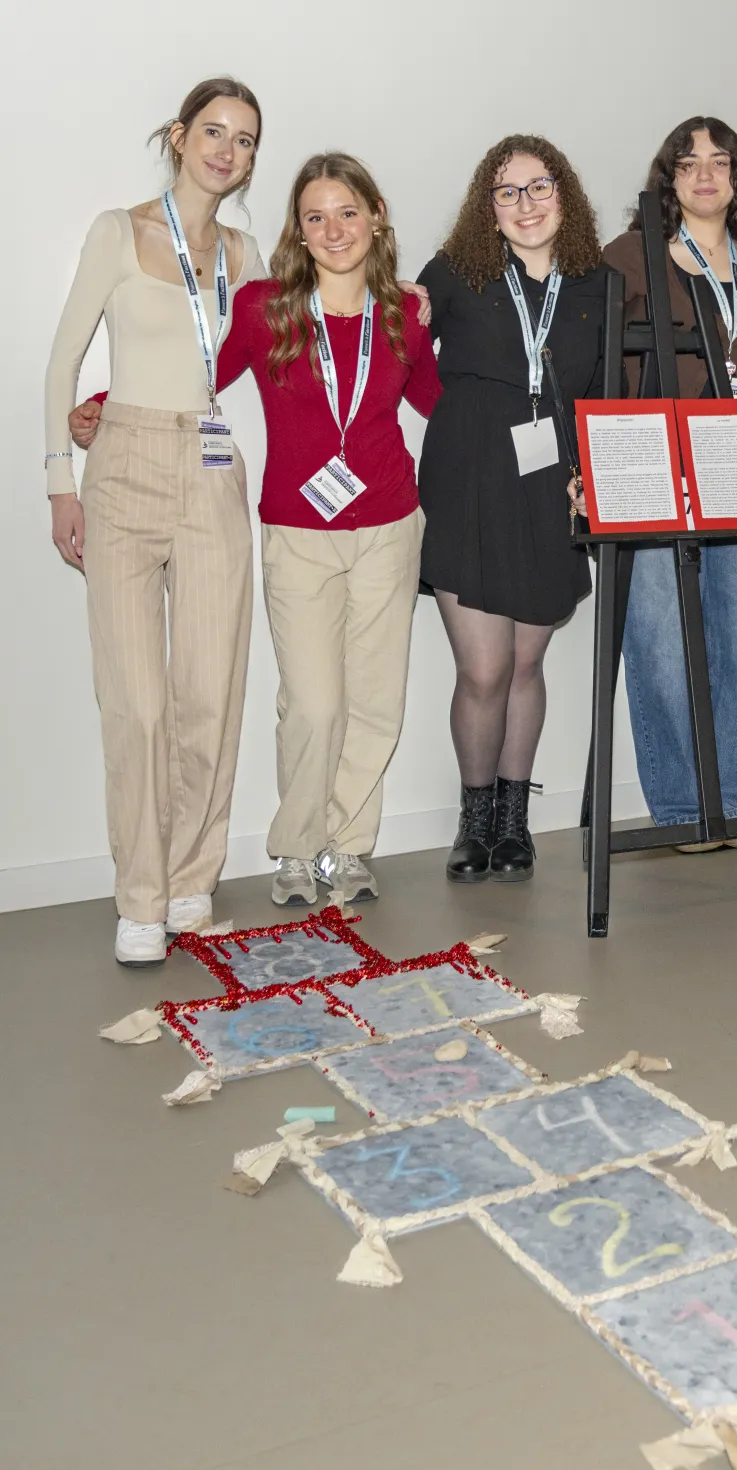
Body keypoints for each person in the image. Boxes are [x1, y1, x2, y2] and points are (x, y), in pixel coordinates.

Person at [71, 154, 440, 909]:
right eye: (315, 216)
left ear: (376, 215)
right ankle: (298, 847)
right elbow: (197, 374)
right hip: (297, 530)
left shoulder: (402, 312)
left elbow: (442, 405)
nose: (333, 229)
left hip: (391, 526)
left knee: (376, 702)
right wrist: (105, 402)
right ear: (298, 232)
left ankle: (348, 847)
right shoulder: (266, 305)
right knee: (312, 702)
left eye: (347, 212)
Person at [45, 78, 264, 966]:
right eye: (213, 131)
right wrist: (62, 477)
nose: (227, 150)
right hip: (124, 466)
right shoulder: (117, 231)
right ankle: (138, 893)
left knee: (209, 690)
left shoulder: (247, 254)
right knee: (135, 702)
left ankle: (188, 877)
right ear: (179, 136)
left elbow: (309, 330)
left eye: (245, 140)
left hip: (211, 464)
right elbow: (63, 358)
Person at [416, 134, 604, 884]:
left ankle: (514, 822)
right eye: (507, 192)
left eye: (539, 187)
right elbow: (385, 347)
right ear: (485, 207)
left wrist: (595, 475)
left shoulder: (596, 282)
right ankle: (473, 819)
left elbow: (604, 397)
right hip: (467, 480)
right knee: (484, 669)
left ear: (565, 194)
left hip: (550, 487)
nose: (525, 204)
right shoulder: (453, 273)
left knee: (527, 662)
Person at [603, 117, 737, 849]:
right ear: (667, 179)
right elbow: (605, 369)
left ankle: (736, 798)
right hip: (654, 471)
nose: (704, 174)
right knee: (662, 644)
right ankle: (680, 806)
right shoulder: (630, 257)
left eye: (719, 161)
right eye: (688, 163)